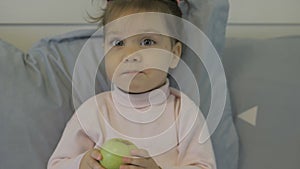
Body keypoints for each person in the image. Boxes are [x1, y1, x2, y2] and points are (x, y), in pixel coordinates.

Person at [48, 0, 216, 169]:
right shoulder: (93, 112)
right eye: (118, 43)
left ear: (174, 54)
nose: (131, 55)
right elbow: (56, 165)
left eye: (147, 42)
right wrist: (81, 164)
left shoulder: (184, 113)